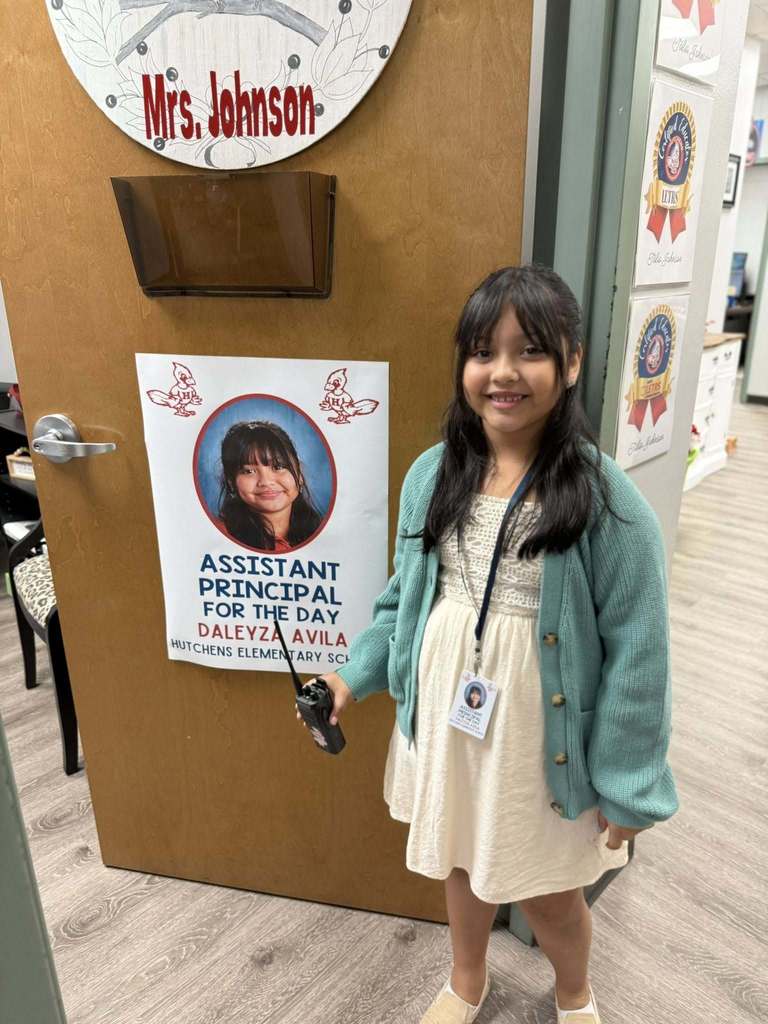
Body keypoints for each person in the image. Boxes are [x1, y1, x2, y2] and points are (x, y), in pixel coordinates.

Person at [296, 264, 679, 1024]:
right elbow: (402, 602)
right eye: (482, 350)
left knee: (548, 889)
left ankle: (574, 993)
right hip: (448, 717)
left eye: (529, 350)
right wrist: (349, 680)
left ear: (570, 363)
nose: (502, 373)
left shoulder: (608, 503)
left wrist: (630, 786)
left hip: (543, 739)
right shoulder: (432, 476)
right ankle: (467, 978)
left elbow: (641, 655)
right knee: (461, 854)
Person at [217, 420, 323, 552]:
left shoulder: (324, 534)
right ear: (231, 482)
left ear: (299, 474)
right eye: (249, 471)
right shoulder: (218, 538)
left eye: (278, 467)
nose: (266, 481)